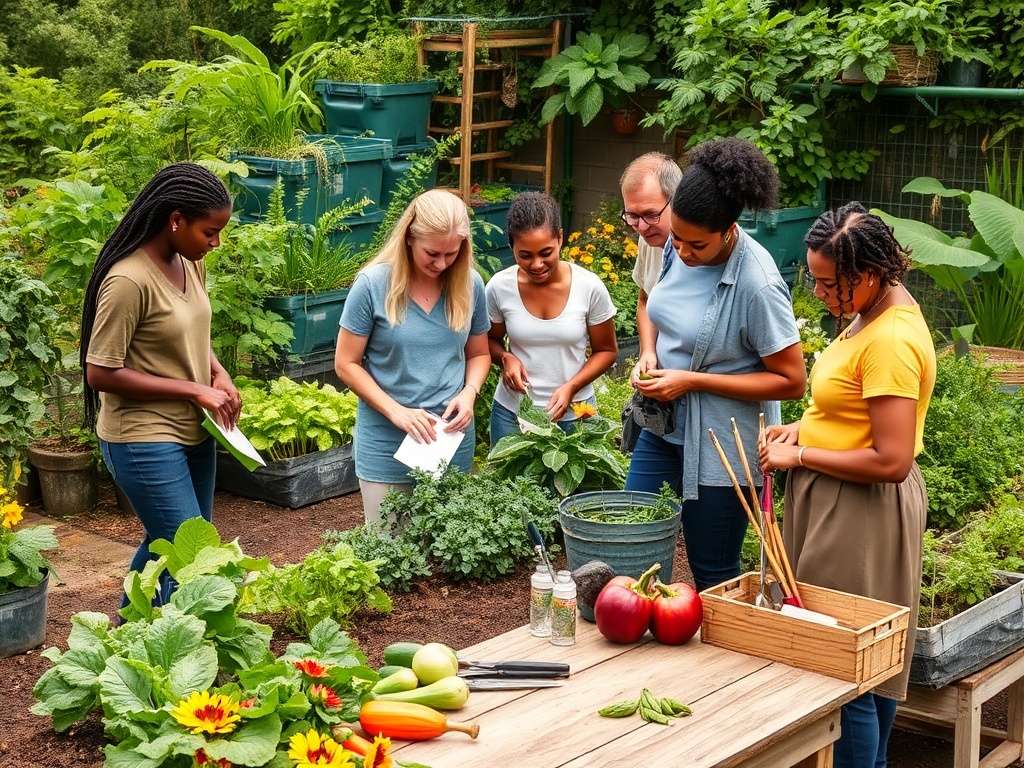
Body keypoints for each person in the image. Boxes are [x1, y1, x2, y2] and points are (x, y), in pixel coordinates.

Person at [760, 202, 935, 768]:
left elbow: (892, 458)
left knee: (845, 660)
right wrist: (802, 428)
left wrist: (802, 454)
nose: (817, 293)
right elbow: (852, 413)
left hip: (860, 509)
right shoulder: (870, 312)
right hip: (841, 497)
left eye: (825, 282)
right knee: (865, 654)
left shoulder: (890, 340)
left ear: (866, 274)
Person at [624, 137, 807, 592]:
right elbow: (653, 302)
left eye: (695, 245)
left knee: (712, 572)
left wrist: (692, 380)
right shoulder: (679, 241)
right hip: (663, 428)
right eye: (678, 239)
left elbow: (792, 381)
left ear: (729, 230)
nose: (682, 253)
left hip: (725, 446)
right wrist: (649, 352)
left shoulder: (758, 284)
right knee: (631, 539)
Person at [81, 162, 240, 606]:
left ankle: (128, 631)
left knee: (169, 543)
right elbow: (100, 372)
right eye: (209, 232)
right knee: (192, 558)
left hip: (194, 431)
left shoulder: (190, 264)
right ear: (175, 220)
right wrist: (193, 390)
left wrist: (216, 371)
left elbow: (190, 331)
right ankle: (176, 652)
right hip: (141, 438)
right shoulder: (128, 280)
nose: (216, 242)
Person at [335, 189, 490, 523]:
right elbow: (345, 363)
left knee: (453, 557)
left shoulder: (470, 284)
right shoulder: (373, 285)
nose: (442, 264)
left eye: (452, 254)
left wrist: (469, 392)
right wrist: (398, 413)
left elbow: (479, 354)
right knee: (389, 551)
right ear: (408, 237)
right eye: (432, 253)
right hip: (387, 440)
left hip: (450, 439)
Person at [486, 191, 618, 445]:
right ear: (511, 245)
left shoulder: (589, 287)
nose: (536, 264)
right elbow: (488, 342)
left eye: (545, 252)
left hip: (575, 415)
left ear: (560, 238)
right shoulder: (499, 288)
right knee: (506, 486)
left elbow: (606, 351)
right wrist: (505, 358)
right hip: (512, 413)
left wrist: (571, 387)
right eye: (525, 255)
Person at [619, 152, 683, 378]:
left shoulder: (706, 249)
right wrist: (648, 351)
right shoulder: (648, 239)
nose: (641, 227)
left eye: (650, 215)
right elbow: (645, 299)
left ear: (677, 201)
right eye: (632, 216)